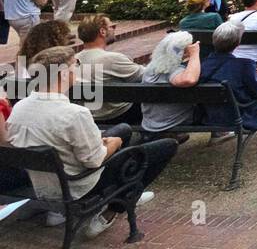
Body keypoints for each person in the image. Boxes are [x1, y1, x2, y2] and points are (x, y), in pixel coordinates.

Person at [7, 45, 179, 238]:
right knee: (167, 146)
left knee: (124, 129)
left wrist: (101, 142)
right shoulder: (74, 114)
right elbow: (94, 161)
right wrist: (112, 144)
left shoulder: (20, 107)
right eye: (75, 65)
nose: (78, 69)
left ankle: (125, 192)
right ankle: (112, 209)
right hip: (77, 187)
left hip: (42, 183)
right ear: (64, 74)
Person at [75, 15, 144, 125]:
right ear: (102, 31)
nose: (114, 29)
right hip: (118, 115)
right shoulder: (112, 59)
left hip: (89, 117)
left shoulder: (74, 59)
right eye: (113, 26)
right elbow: (146, 75)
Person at [139, 31, 205, 135]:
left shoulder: (150, 68)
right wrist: (195, 54)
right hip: (174, 122)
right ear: (184, 52)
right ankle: (218, 134)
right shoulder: (174, 70)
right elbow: (189, 79)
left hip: (150, 122)